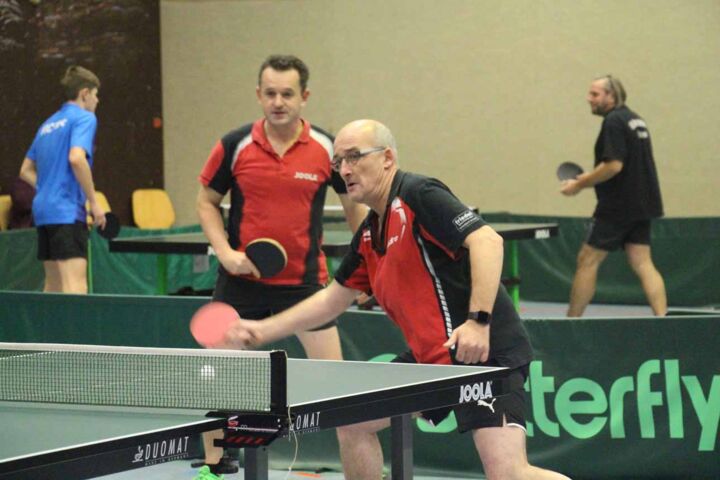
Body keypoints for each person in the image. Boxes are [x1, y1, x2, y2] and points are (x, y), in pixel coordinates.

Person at [222, 119, 569, 480]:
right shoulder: (369, 233)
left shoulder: (419, 194)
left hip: (483, 353)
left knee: (509, 474)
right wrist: (261, 330)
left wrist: (478, 322)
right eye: (338, 162)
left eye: (354, 157)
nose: (344, 170)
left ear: (387, 157)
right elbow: (331, 301)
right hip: (431, 361)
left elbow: (487, 241)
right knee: (352, 420)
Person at [194, 55, 366, 478]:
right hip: (240, 281)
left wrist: (366, 267)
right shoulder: (234, 144)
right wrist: (225, 252)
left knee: (336, 386)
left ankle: (359, 469)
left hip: (305, 286)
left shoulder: (326, 148)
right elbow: (206, 202)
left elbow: (355, 207)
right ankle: (213, 467)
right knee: (221, 380)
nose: (278, 102)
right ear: (258, 94)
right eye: (270, 93)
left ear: (304, 96)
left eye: (287, 94)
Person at [560, 75, 666, 317]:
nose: (589, 98)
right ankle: (663, 320)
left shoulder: (613, 121)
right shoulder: (634, 119)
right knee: (643, 262)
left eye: (595, 94)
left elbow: (613, 166)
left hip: (618, 206)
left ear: (611, 95)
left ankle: (571, 323)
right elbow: (623, 165)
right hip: (643, 203)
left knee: (587, 260)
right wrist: (589, 177)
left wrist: (580, 184)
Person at [18, 65, 106, 293]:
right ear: (84, 94)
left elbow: (25, 170)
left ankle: (47, 320)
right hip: (67, 212)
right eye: (95, 94)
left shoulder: (47, 125)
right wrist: (94, 202)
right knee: (75, 287)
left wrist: (48, 187)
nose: (97, 101)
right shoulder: (85, 118)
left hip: (43, 212)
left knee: (54, 287)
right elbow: (76, 158)